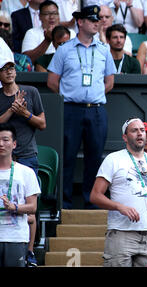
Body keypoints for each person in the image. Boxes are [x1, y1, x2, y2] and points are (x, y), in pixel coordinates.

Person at [47, 5, 116, 209]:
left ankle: (91, 201)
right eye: (92, 20)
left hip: (96, 109)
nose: (97, 23)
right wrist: (70, 95)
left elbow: (110, 81)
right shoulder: (64, 49)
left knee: (95, 158)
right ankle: (65, 203)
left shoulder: (104, 50)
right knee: (67, 156)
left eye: (98, 20)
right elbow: (52, 81)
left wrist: (93, 94)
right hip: (71, 109)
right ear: (80, 22)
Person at [90, 118, 147, 267]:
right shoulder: (113, 159)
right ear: (125, 137)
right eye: (134, 131)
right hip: (121, 233)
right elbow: (95, 196)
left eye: (142, 130)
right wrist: (120, 207)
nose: (140, 134)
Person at [0, 123, 41, 267]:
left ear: (14, 144)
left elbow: (33, 207)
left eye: (5, 140)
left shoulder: (26, 172)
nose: (1, 144)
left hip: (15, 238)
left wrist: (14, 207)